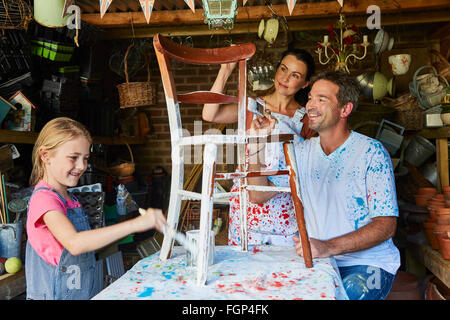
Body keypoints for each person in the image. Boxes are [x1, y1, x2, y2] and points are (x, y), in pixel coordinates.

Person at [253, 70, 400, 300]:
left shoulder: (371, 152)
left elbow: (386, 226)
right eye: (311, 97)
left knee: (347, 295)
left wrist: (327, 246)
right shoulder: (299, 152)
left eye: (322, 99)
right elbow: (257, 194)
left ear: (345, 109)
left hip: (370, 265)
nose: (311, 104)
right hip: (321, 261)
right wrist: (258, 142)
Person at [25, 117, 166, 300]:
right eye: (73, 158)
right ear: (45, 156)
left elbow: (88, 247)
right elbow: (75, 243)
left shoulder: (70, 199)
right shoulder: (44, 199)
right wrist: (136, 224)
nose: (82, 166)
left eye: (85, 158)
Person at [202, 49, 316, 247]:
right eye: (283, 69)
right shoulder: (251, 106)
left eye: (295, 75)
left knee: (284, 272)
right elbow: (210, 114)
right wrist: (225, 70)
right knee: (246, 270)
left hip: (284, 209)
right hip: (248, 206)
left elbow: (307, 167)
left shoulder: (306, 119)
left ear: (305, 83)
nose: (285, 78)